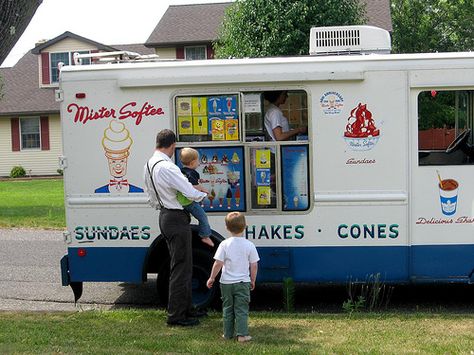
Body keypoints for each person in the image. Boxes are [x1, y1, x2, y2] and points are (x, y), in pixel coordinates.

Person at [143, 129, 207, 327]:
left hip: (165, 214)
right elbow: (188, 190)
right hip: (176, 217)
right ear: (172, 145)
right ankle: (177, 315)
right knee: (181, 268)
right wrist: (203, 195)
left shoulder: (149, 165)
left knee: (182, 266)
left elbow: (150, 195)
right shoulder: (168, 167)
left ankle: (187, 309)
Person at [206, 212, 260, 342]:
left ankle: (227, 334)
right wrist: (253, 280)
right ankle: (242, 335)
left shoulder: (224, 244)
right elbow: (254, 265)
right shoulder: (249, 245)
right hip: (242, 283)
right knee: (241, 309)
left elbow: (218, 263)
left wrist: (212, 277)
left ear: (227, 228)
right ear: (245, 226)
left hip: (226, 283)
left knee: (227, 309)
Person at [177, 147, 215, 248]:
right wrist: (203, 190)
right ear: (192, 162)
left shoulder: (180, 171)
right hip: (188, 202)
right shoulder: (193, 173)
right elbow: (193, 186)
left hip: (180, 202)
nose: (199, 163)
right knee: (202, 217)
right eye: (198, 160)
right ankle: (205, 235)